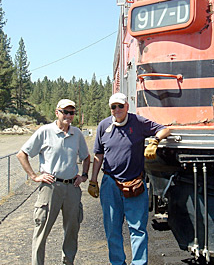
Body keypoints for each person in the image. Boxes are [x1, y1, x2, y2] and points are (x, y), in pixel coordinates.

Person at [88, 92, 170, 265]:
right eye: (113, 107)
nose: (117, 110)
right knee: (112, 229)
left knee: (138, 229)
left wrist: (155, 141)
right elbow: (98, 155)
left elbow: (165, 129)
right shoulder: (104, 126)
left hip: (135, 184)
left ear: (127, 106)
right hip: (110, 184)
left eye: (120, 106)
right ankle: (117, 262)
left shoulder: (138, 122)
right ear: (110, 109)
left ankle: (139, 263)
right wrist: (93, 180)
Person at [16, 99, 90, 265]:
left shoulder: (77, 133)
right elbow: (22, 154)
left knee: (72, 231)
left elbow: (86, 157)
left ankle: (67, 262)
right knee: (41, 231)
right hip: (50, 187)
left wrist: (84, 175)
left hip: (72, 187)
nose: (68, 116)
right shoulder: (45, 131)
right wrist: (35, 176)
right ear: (57, 112)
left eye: (72, 112)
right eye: (65, 112)